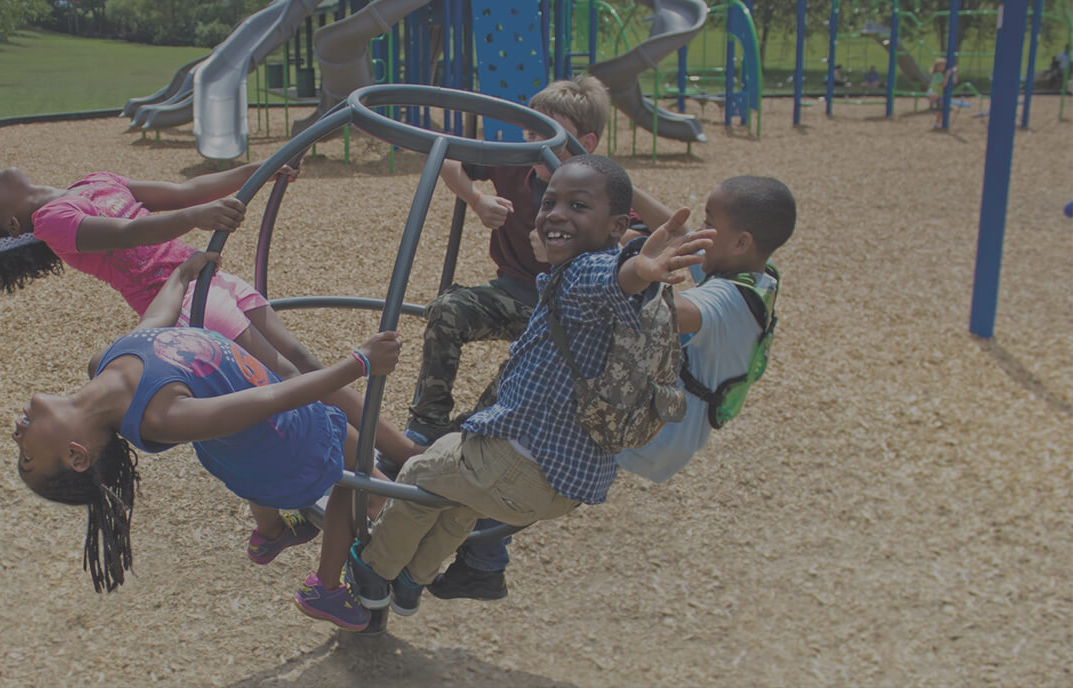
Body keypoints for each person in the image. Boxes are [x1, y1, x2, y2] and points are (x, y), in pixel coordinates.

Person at [341, 154, 716, 617]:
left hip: (519, 463)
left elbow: (613, 280)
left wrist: (639, 269)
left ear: (618, 226)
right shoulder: (582, 273)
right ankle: (411, 581)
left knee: (421, 474)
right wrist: (634, 270)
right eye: (551, 201)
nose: (556, 213)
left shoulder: (586, 272)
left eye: (578, 206)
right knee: (458, 505)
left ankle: (373, 572)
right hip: (571, 483)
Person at [427, 174, 797, 601]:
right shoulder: (756, 272)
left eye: (710, 223)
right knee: (540, 402)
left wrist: (581, 255)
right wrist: (624, 183)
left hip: (652, 427)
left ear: (740, 242)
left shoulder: (727, 301)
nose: (698, 232)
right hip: (673, 419)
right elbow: (679, 233)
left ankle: (457, 481)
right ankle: (483, 558)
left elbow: (654, 305)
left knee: (540, 401)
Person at [11, 251, 414, 631]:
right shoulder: (157, 414)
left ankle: (276, 533)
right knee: (356, 479)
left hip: (255, 446)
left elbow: (157, 320)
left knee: (270, 454)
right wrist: (358, 363)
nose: (17, 435)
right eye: (27, 455)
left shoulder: (103, 365)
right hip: (287, 440)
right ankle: (327, 587)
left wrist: (181, 275)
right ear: (76, 455)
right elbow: (268, 400)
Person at [0, 163, 422, 463]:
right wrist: (197, 216)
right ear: (13, 225)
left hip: (206, 276)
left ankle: (393, 451)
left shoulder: (92, 182)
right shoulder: (53, 221)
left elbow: (185, 189)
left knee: (302, 360)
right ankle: (387, 464)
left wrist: (256, 172)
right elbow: (129, 232)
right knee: (285, 375)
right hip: (184, 301)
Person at [403, 75, 613, 449]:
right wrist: (477, 199)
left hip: (563, 310)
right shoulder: (516, 162)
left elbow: (633, 240)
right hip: (513, 291)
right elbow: (447, 159)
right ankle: (426, 423)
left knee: (520, 377)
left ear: (586, 144)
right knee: (447, 310)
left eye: (548, 136)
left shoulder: (598, 188)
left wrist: (566, 249)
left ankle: (465, 439)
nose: (535, 145)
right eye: (531, 134)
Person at [927, 58, 958, 129]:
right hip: (933, 93)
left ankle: (937, 123)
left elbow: (955, 81)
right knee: (936, 98)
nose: (942, 67)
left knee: (942, 110)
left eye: (943, 66)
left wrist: (954, 72)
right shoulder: (937, 75)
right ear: (936, 68)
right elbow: (943, 84)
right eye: (939, 66)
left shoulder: (944, 75)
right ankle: (932, 107)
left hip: (940, 95)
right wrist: (947, 75)